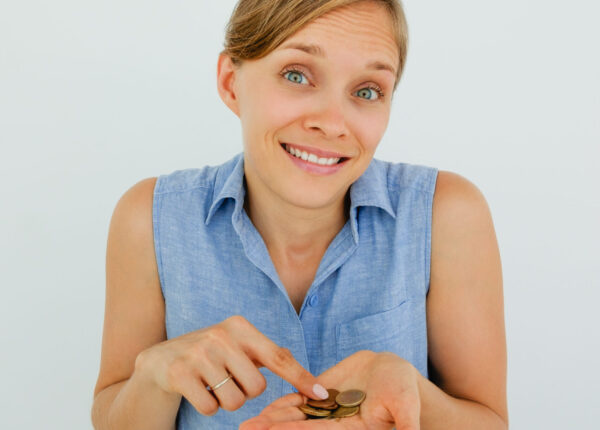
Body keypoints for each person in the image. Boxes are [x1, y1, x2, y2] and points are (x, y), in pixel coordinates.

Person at [91, 0, 508, 428]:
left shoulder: (446, 215)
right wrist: (154, 377)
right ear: (231, 82)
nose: (332, 123)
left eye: (367, 91)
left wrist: (414, 393)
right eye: (297, 75)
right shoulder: (150, 218)